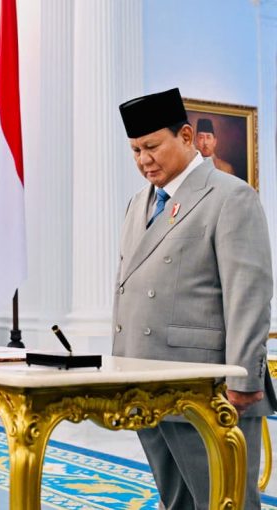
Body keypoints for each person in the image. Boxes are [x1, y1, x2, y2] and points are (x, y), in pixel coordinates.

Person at [115, 87, 275, 509]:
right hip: (145, 379)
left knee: (225, 501)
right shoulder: (137, 203)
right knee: (177, 502)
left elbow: (248, 294)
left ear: (186, 136)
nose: (143, 160)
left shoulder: (230, 195)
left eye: (152, 147)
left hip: (207, 387)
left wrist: (244, 379)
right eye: (135, 151)